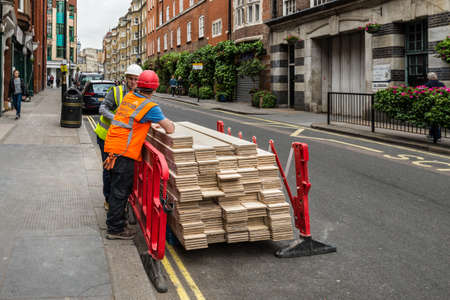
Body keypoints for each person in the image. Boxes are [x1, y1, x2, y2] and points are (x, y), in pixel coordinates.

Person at [103, 70, 174, 240]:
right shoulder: (149, 107)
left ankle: (118, 222)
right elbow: (170, 128)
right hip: (125, 153)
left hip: (112, 147)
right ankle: (115, 229)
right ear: (155, 89)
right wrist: (162, 123)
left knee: (115, 190)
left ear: (139, 84)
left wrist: (149, 124)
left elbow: (131, 121)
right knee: (120, 192)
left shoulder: (129, 98)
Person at [94, 64, 143, 211]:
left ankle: (119, 201)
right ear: (126, 79)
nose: (133, 82)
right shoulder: (116, 92)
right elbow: (102, 108)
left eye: (136, 79)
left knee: (120, 172)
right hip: (106, 137)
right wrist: (117, 118)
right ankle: (108, 200)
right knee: (109, 170)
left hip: (122, 140)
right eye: (131, 79)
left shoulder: (139, 95)